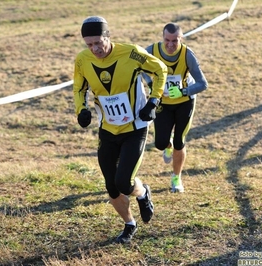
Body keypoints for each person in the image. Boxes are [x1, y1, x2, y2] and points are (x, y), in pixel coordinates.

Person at [73, 16, 168, 244]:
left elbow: (161, 70)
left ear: (108, 37)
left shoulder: (131, 53)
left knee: (124, 182)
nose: (94, 49)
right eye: (89, 44)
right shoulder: (82, 60)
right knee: (111, 185)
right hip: (107, 129)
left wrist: (153, 102)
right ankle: (129, 224)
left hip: (135, 127)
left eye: (98, 42)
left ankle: (143, 192)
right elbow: (79, 87)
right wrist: (81, 110)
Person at [143, 22, 208, 193]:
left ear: (181, 39)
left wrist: (183, 91)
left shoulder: (187, 55)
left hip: (184, 102)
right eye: (167, 40)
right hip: (163, 102)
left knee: (180, 141)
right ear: (162, 38)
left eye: (175, 41)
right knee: (160, 143)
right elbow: (137, 65)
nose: (171, 45)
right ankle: (167, 144)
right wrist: (150, 83)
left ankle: (176, 178)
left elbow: (203, 84)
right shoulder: (152, 51)